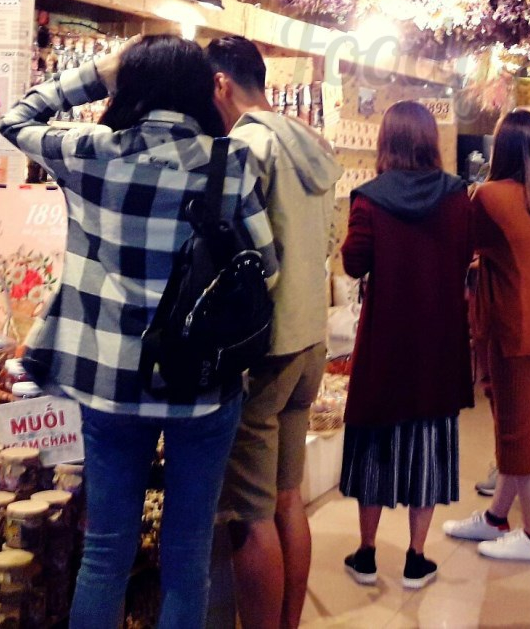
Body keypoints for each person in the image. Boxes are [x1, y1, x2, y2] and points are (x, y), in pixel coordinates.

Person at [0, 35, 275, 629]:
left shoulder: (90, 151)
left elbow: (15, 119)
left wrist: (100, 73)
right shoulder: (227, 161)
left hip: (107, 384)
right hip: (201, 384)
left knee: (104, 553)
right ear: (201, 89)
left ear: (130, 85)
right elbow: (266, 266)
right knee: (187, 555)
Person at [207, 36, 341, 629]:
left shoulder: (247, 145)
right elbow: (330, 240)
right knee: (289, 497)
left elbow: (236, 249)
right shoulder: (308, 142)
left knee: (251, 513)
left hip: (265, 348)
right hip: (310, 339)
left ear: (220, 84)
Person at [338, 100, 474, 590]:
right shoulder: (456, 195)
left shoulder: (369, 199)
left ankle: (367, 554)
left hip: (386, 343)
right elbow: (466, 252)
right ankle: (417, 558)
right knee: (429, 447)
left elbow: (354, 262)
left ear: (386, 141)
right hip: (439, 343)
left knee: (375, 444)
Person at [444, 107, 530, 563]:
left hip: (511, 330)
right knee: (518, 423)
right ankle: (497, 517)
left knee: (521, 432)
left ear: (498, 148)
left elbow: (458, 249)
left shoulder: (487, 196)